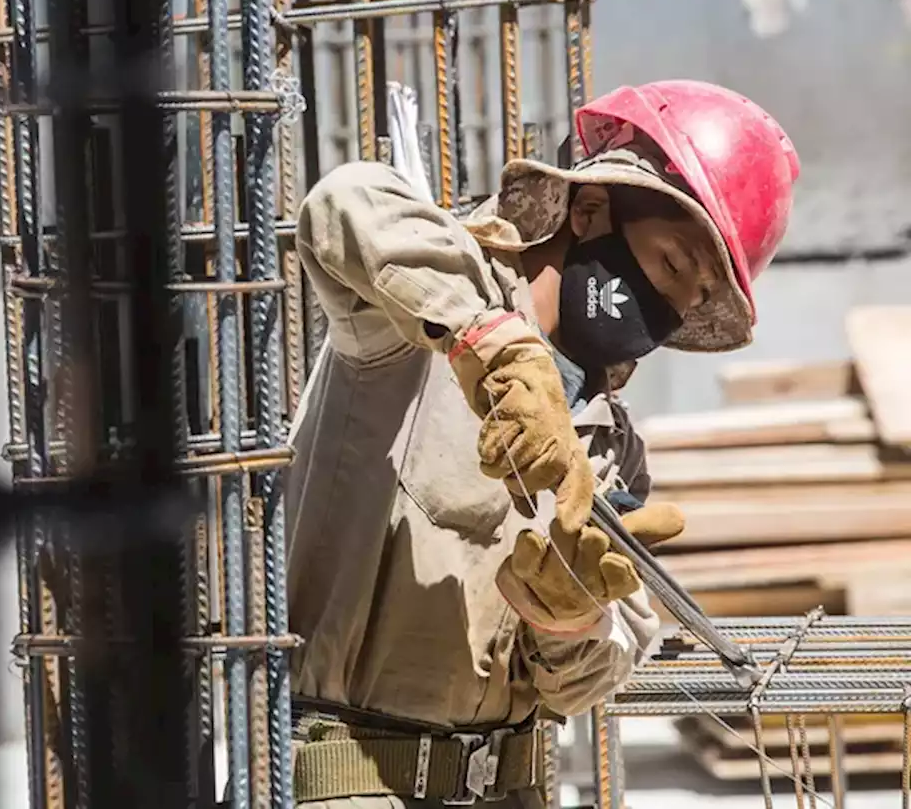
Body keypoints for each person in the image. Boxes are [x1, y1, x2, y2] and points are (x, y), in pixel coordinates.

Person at [284, 80, 799, 808]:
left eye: (689, 301)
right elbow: (342, 203)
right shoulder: (418, 318)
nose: (663, 312)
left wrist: (571, 617)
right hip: (356, 783)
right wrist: (489, 343)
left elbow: (592, 681)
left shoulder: (611, 452)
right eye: (672, 265)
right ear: (591, 211)